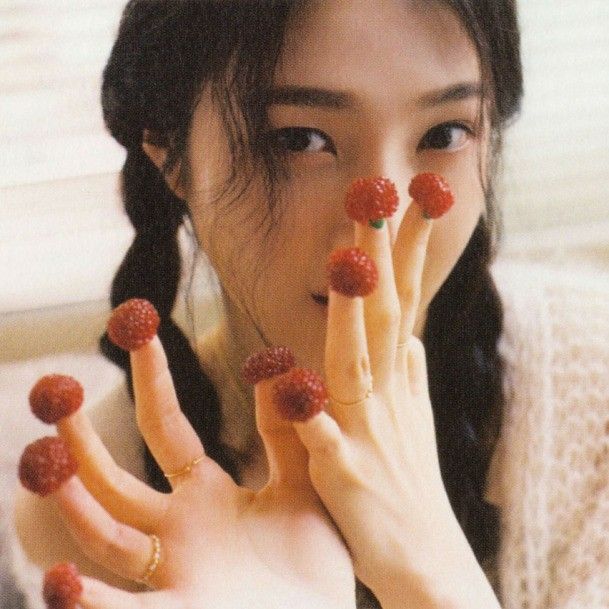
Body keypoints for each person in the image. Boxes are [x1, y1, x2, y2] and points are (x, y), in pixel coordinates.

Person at [6, 1, 609, 608]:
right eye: (301, 140)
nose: (385, 219)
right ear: (169, 150)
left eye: (446, 134)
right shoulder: (89, 505)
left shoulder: (594, 401)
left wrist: (431, 571)